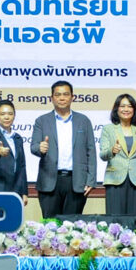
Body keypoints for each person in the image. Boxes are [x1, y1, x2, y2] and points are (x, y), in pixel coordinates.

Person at [30, 81, 96, 218]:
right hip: (49, 181)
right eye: (58, 95)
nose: (62, 98)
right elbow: (34, 147)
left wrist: (91, 180)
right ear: (51, 98)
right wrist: (40, 148)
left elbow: (91, 151)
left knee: (72, 225)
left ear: (72, 97)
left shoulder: (83, 121)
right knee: (50, 225)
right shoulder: (41, 121)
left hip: (76, 181)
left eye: (66, 94)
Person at [99, 94, 136, 214]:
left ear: (134, 109)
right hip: (114, 180)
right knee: (114, 219)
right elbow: (102, 155)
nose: (126, 109)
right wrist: (112, 151)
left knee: (134, 220)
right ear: (116, 109)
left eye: (129, 106)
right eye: (122, 106)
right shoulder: (108, 129)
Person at [0, 100, 28, 206]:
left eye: (10, 114)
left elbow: (22, 166)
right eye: (2, 114)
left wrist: (24, 192)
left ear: (14, 116)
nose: (6, 117)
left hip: (14, 191)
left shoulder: (18, 138)